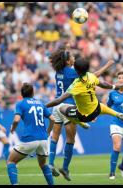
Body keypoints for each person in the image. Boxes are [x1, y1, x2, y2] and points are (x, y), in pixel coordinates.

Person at [48, 46, 115, 181]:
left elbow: (64, 59)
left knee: (55, 136)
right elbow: (93, 76)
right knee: (70, 139)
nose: (74, 58)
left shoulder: (58, 71)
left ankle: (50, 163)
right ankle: (65, 168)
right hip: (68, 106)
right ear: (67, 61)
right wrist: (107, 65)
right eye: (72, 57)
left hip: (57, 106)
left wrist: (66, 49)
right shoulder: (72, 72)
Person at [46, 57, 123, 128]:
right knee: (101, 106)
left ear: (76, 71)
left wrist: (44, 106)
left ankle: (80, 123)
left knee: (61, 109)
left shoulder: (76, 85)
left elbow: (58, 100)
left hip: (85, 116)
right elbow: (103, 84)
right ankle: (117, 114)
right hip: (97, 109)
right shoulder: (91, 76)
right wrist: (115, 87)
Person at [6, 83, 54, 185]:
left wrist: (13, 129)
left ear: (21, 93)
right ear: (32, 92)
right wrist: (48, 132)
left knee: (10, 161)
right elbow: (52, 119)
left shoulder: (20, 104)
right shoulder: (40, 103)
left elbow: (16, 120)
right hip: (43, 139)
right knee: (43, 164)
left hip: (30, 138)